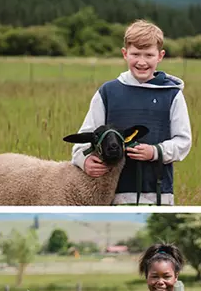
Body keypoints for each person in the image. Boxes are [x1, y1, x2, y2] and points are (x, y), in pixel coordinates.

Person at [71, 20, 192, 205]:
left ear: (160, 56)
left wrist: (155, 151)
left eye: (149, 55)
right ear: (125, 54)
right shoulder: (108, 92)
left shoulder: (172, 94)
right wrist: (84, 160)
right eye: (135, 54)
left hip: (158, 193)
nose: (142, 61)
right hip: (111, 194)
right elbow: (85, 137)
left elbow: (183, 142)